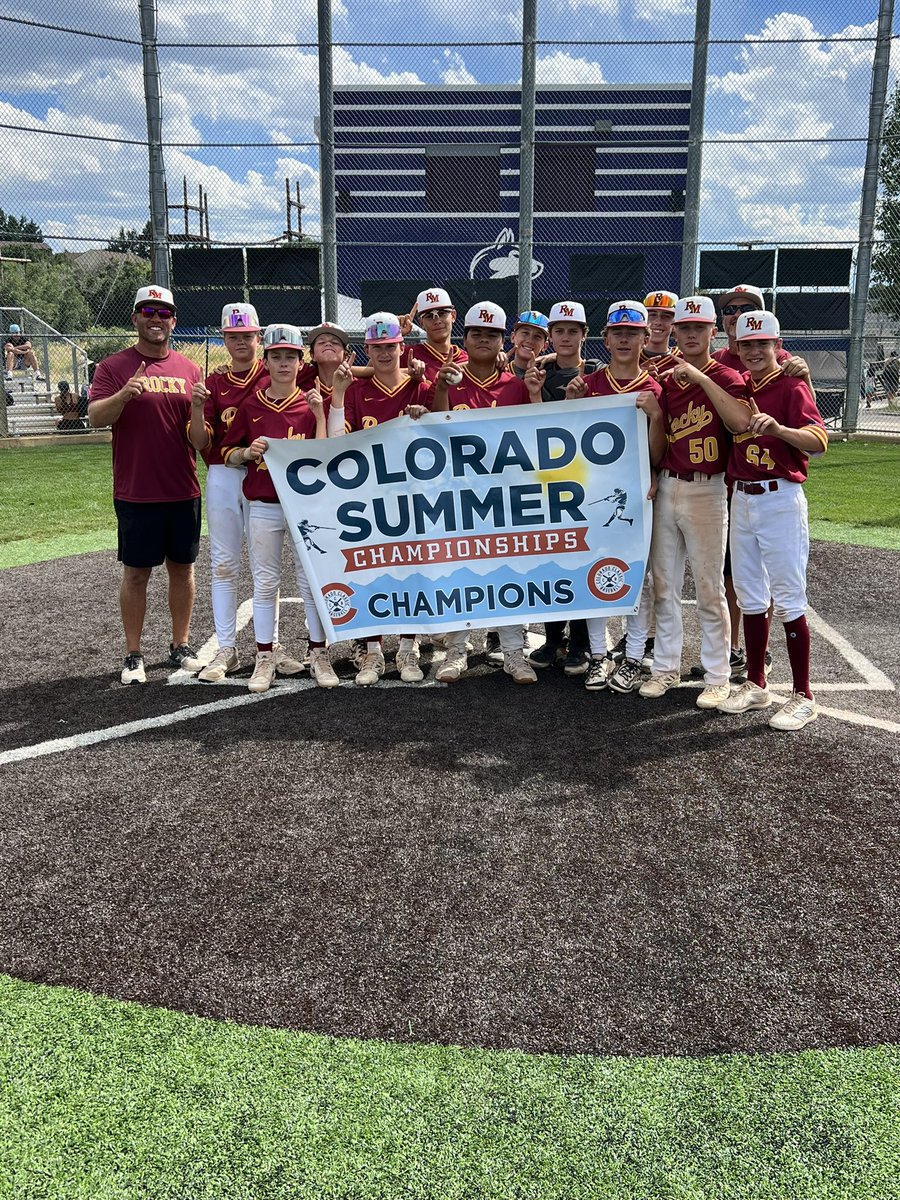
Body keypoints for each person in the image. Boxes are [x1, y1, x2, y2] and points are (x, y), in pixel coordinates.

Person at [632, 296, 751, 709]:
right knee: (663, 584)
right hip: (668, 486)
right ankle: (666, 667)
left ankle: (717, 676)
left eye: (699, 327)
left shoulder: (727, 376)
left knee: (708, 587)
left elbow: (740, 422)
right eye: (684, 327)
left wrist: (700, 377)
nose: (691, 334)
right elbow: (656, 438)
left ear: (712, 331)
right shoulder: (664, 379)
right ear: (674, 332)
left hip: (708, 488)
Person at [716, 311, 829, 731]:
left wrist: (779, 429)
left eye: (762, 344)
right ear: (737, 347)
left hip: (780, 496)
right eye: (747, 345)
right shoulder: (740, 385)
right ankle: (756, 683)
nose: (754, 351)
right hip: (742, 498)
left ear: (777, 345)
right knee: (750, 595)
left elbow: (818, 442)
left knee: (788, 596)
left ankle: (803, 694)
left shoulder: (791, 383)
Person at [88, 285, 204, 685]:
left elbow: (196, 435)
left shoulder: (189, 370)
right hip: (136, 490)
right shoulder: (113, 367)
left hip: (183, 489)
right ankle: (134, 653)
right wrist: (123, 395)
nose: (156, 319)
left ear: (174, 321)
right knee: (136, 574)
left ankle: (180, 645)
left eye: (164, 313)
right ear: (135, 317)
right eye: (148, 311)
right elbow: (95, 417)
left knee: (182, 569)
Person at [187, 302, 304, 683]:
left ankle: (270, 646)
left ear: (258, 337)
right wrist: (197, 407)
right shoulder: (215, 382)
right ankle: (226, 647)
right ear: (224, 338)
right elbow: (200, 441)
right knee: (224, 563)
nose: (240, 342)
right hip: (225, 471)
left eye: (247, 335)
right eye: (233, 336)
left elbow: (334, 366)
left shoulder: (274, 369)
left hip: (268, 475)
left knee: (264, 567)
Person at [220, 324, 340, 692]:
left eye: (291, 356)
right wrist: (246, 452)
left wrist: (320, 416)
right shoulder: (251, 404)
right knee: (265, 581)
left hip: (304, 506)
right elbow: (227, 453)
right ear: (267, 361)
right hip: (264, 503)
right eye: (277, 356)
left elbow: (324, 456)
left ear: (300, 361)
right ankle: (265, 656)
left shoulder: (311, 403)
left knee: (310, 581)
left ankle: (318, 652)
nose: (284, 363)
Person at [430, 301, 544, 686]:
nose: (483, 340)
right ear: (464, 339)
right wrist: (440, 389)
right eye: (476, 333)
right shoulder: (449, 379)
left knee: (509, 572)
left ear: (502, 340)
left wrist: (533, 396)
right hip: (458, 495)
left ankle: (513, 652)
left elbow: (535, 437)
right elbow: (433, 430)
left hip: (505, 496)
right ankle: (457, 650)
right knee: (460, 572)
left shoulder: (515, 385)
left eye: (491, 334)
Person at [329, 311, 434, 685]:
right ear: (368, 351)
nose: (385, 353)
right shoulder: (357, 390)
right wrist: (338, 393)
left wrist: (426, 412)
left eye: (390, 346)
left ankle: (407, 646)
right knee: (370, 570)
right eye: (377, 347)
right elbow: (337, 439)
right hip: (369, 496)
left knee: (412, 569)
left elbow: (443, 429)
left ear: (402, 347)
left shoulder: (421, 386)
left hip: (412, 495)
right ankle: (372, 651)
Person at [565, 301, 661, 693]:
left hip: (636, 496)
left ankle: (634, 656)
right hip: (595, 493)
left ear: (645, 338)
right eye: (617, 333)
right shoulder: (588, 385)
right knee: (594, 568)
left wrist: (657, 416)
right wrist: (570, 405)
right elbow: (566, 444)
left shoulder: (655, 387)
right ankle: (598, 655)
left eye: (632, 334)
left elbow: (658, 454)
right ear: (605, 339)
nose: (624, 340)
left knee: (636, 576)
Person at [526, 300, 600, 676]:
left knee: (582, 558)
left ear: (584, 335)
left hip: (586, 481)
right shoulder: (537, 373)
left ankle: (582, 643)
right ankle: (553, 638)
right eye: (560, 331)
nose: (566, 337)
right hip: (544, 481)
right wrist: (536, 394)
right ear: (550, 336)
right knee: (549, 560)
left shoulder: (597, 373)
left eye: (573, 330)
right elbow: (530, 428)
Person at [641, 290, 681, 373]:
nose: (658, 322)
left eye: (666, 316)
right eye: (652, 315)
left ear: (675, 322)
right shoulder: (631, 358)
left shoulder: (683, 360)